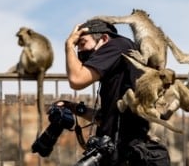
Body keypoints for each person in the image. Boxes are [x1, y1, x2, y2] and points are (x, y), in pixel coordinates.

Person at [65, 19, 171, 166]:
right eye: (77, 47)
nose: (79, 51)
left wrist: (69, 45)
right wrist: (72, 107)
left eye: (82, 43)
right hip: (122, 151)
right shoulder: (117, 62)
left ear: (103, 39)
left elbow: (77, 79)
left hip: (133, 154)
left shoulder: (117, 46)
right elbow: (107, 119)